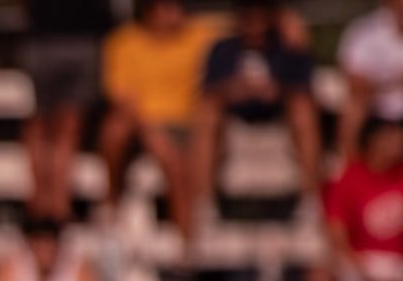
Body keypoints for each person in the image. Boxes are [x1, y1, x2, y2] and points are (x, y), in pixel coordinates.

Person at [101, 0, 225, 245]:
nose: (177, 13)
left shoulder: (198, 33)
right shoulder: (124, 42)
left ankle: (187, 244)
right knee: (116, 128)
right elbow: (122, 99)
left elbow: (244, 26)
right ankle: (111, 200)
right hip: (142, 126)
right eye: (169, 7)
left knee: (178, 162)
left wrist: (286, 23)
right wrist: (152, 132)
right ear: (150, 12)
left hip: (187, 125)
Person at [195, 4, 321, 226]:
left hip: (278, 113)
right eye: (249, 19)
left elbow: (305, 86)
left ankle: (310, 199)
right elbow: (208, 89)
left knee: (303, 109)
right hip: (234, 115)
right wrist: (232, 89)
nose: (255, 26)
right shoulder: (223, 49)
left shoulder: (286, 48)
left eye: (260, 19)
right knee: (207, 113)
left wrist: (277, 88)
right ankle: (205, 202)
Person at [306, 116, 403, 281]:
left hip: (397, 262)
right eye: (391, 136)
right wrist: (361, 269)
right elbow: (335, 233)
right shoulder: (348, 177)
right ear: (373, 141)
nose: (398, 143)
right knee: (319, 279)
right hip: (358, 260)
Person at [21, 0, 117, 222]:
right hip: (52, 38)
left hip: (70, 38)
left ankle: (54, 201)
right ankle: (46, 201)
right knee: (45, 123)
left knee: (64, 123)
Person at [338, 0, 403, 165]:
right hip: (376, 111)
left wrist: (381, 81)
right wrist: (394, 81)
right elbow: (356, 84)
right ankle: (352, 171)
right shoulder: (363, 31)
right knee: (355, 106)